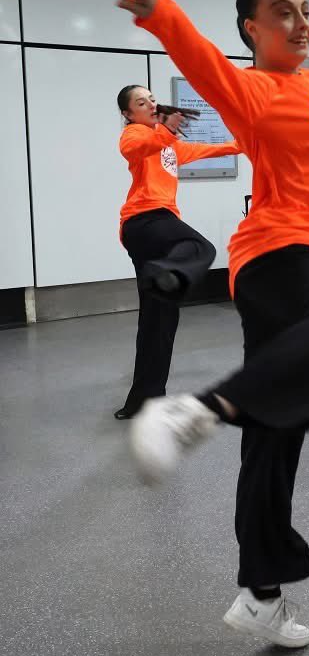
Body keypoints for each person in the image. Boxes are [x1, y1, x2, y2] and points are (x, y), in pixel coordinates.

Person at [94, 0, 309, 648]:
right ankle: (197, 411)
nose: (300, 23)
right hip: (279, 253)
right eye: (282, 13)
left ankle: (262, 595)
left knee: (276, 428)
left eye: (306, 12)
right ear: (253, 27)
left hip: (298, 260)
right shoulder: (252, 90)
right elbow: (201, 61)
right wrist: (161, 10)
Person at [113, 85, 238, 420]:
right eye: (142, 102)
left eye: (152, 99)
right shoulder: (134, 134)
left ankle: (144, 399)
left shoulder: (170, 145)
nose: (151, 104)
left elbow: (207, 150)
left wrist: (246, 144)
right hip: (144, 221)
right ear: (129, 114)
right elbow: (139, 148)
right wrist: (165, 129)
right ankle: (165, 272)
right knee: (201, 247)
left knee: (159, 318)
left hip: (157, 229)